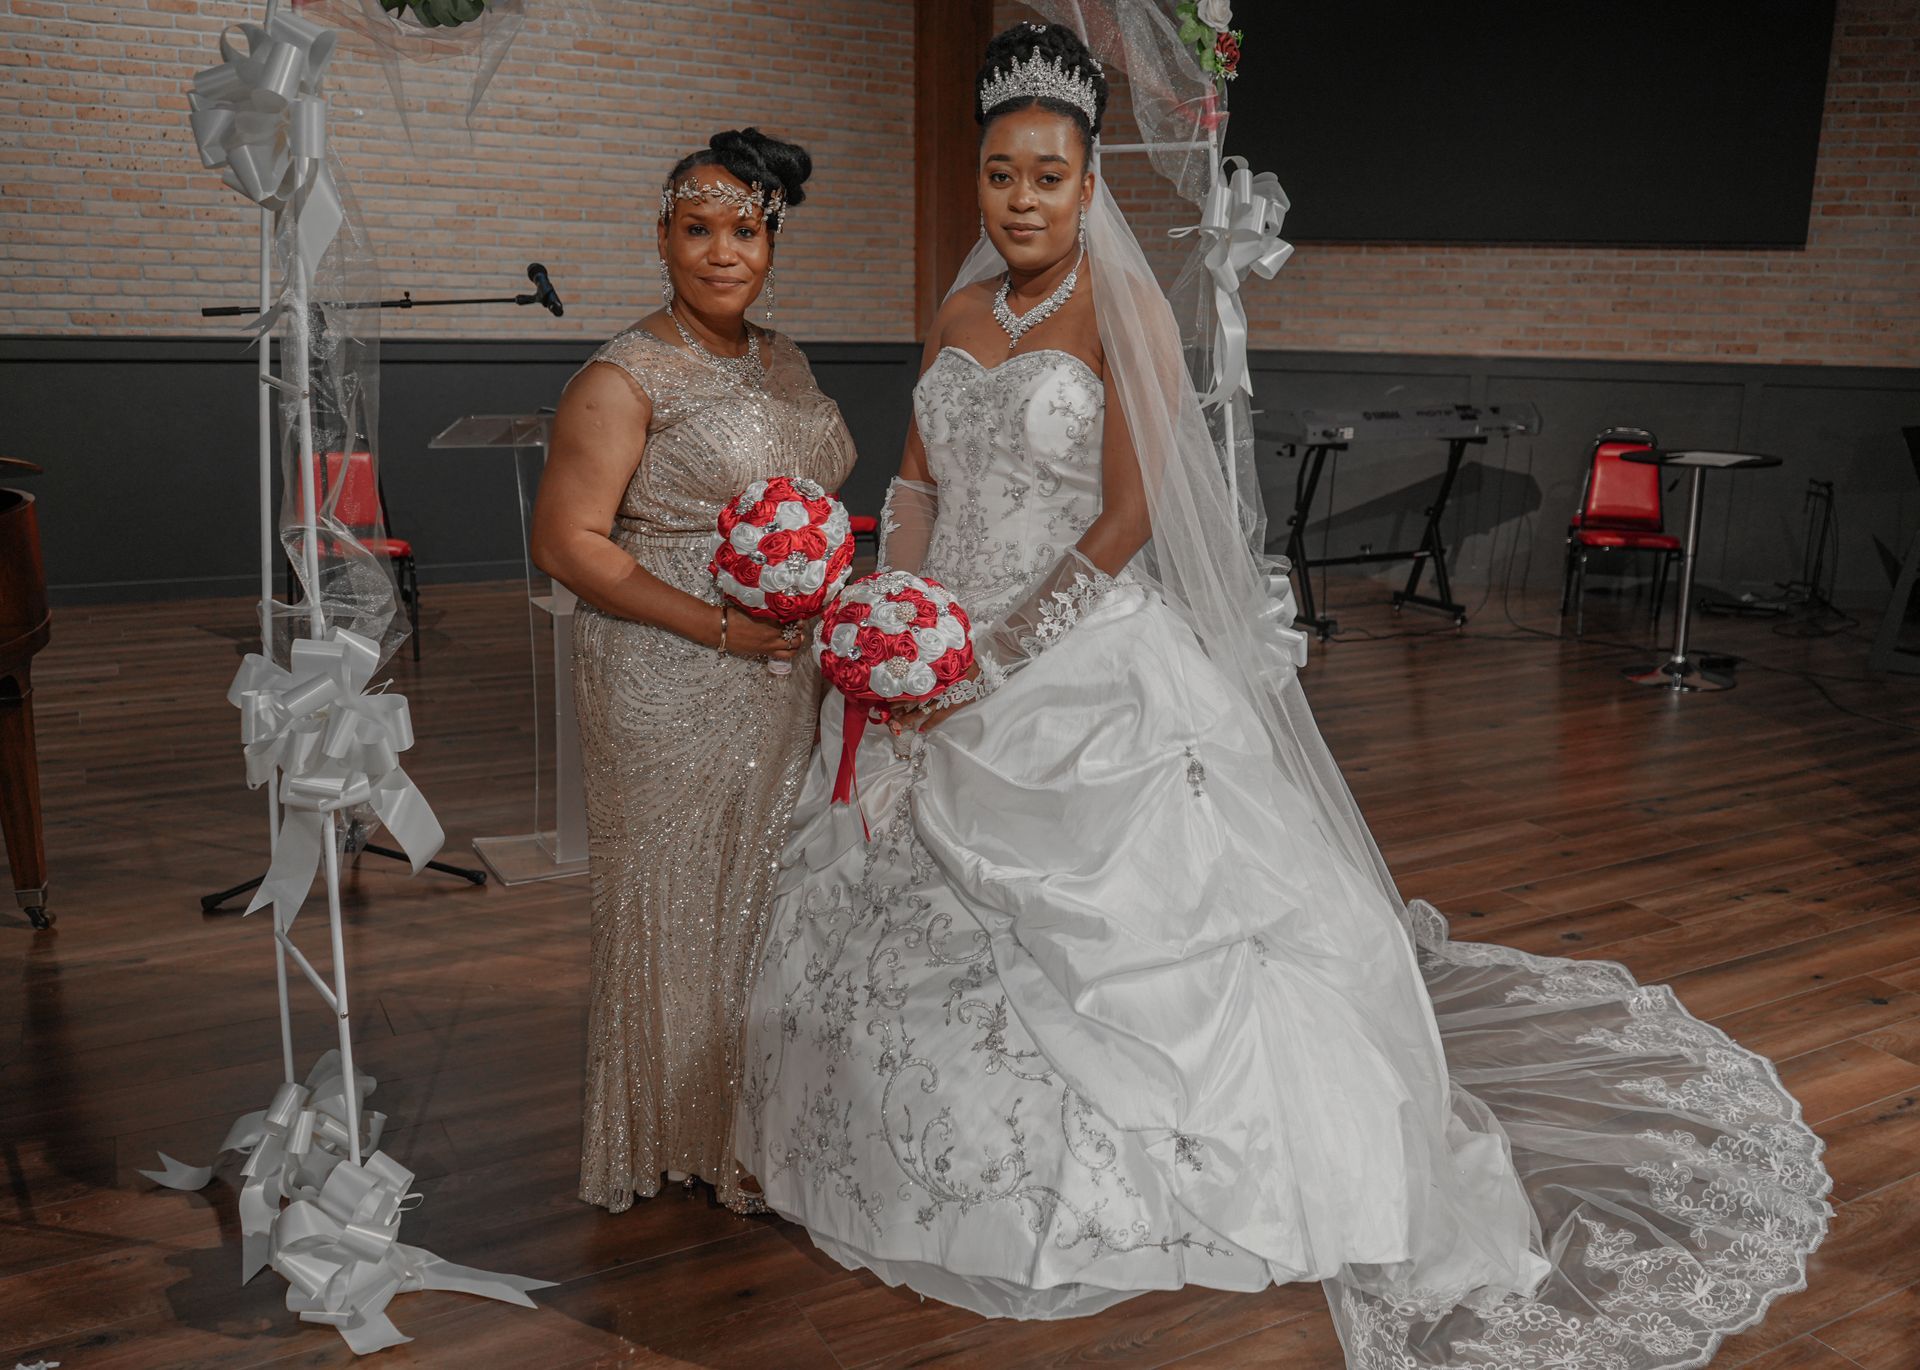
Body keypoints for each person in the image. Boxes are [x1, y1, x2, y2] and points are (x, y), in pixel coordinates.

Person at [737, 21, 1829, 1366]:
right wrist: (891, 624)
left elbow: (1131, 514)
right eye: (1001, 175)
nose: (1021, 199)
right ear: (979, 180)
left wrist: (994, 656)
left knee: (1154, 940)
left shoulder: (1120, 307)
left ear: (1090, 185)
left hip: (1071, 666)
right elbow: (916, 489)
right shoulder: (958, 313)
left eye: (1049, 176)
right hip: (933, 655)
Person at [531, 127, 856, 1215]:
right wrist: (720, 629)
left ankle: (748, 1125)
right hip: (667, 666)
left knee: (768, 888)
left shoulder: (786, 362)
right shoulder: (622, 375)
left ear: (773, 242)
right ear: (661, 236)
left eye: (747, 231)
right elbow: (569, 542)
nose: (724, 252)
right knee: (669, 898)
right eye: (699, 229)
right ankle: (670, 1127)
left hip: (782, 667)